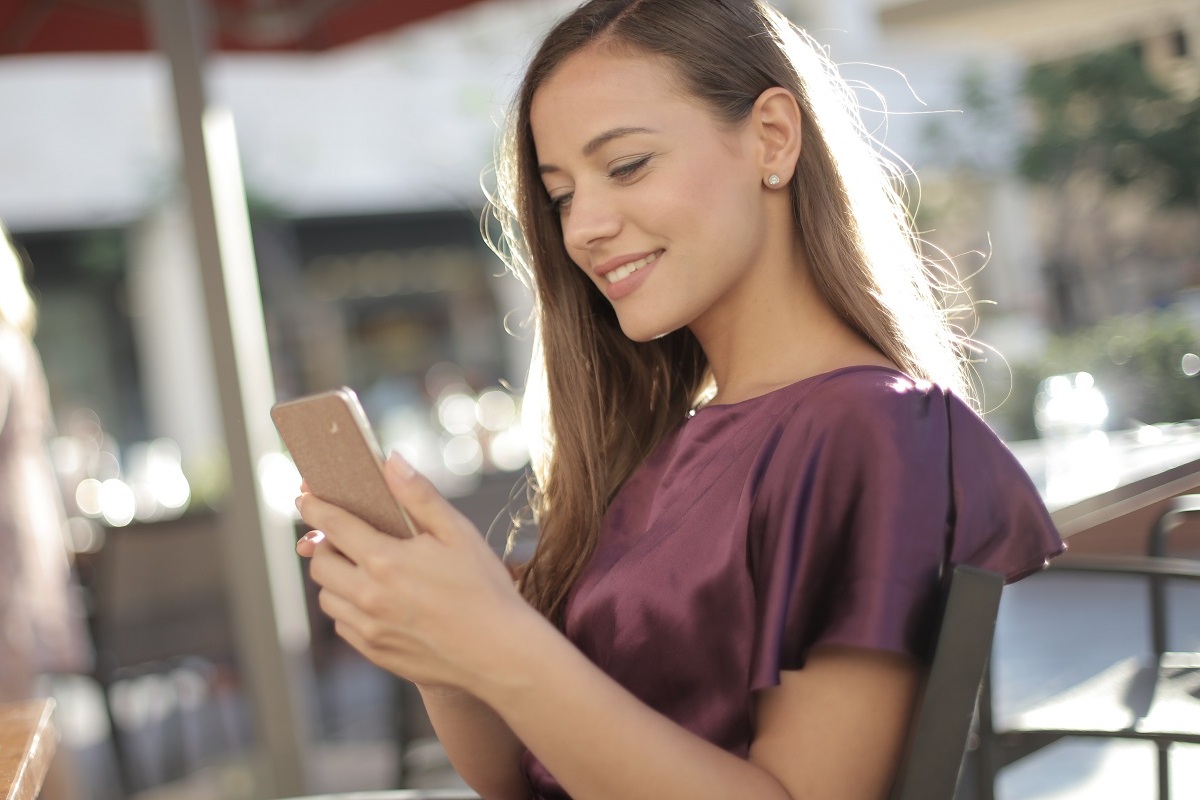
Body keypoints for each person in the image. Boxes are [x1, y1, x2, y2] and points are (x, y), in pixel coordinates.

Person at [295, 2, 1065, 798]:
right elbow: (521, 778)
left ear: (772, 137)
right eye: (560, 196)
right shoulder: (666, 447)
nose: (583, 227)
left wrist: (501, 642)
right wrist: (443, 649)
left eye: (626, 166)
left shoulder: (870, 429)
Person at [0, 221, 90, 799]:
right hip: (17, 550)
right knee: (22, 722)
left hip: (5, 560)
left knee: (16, 726)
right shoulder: (12, 340)